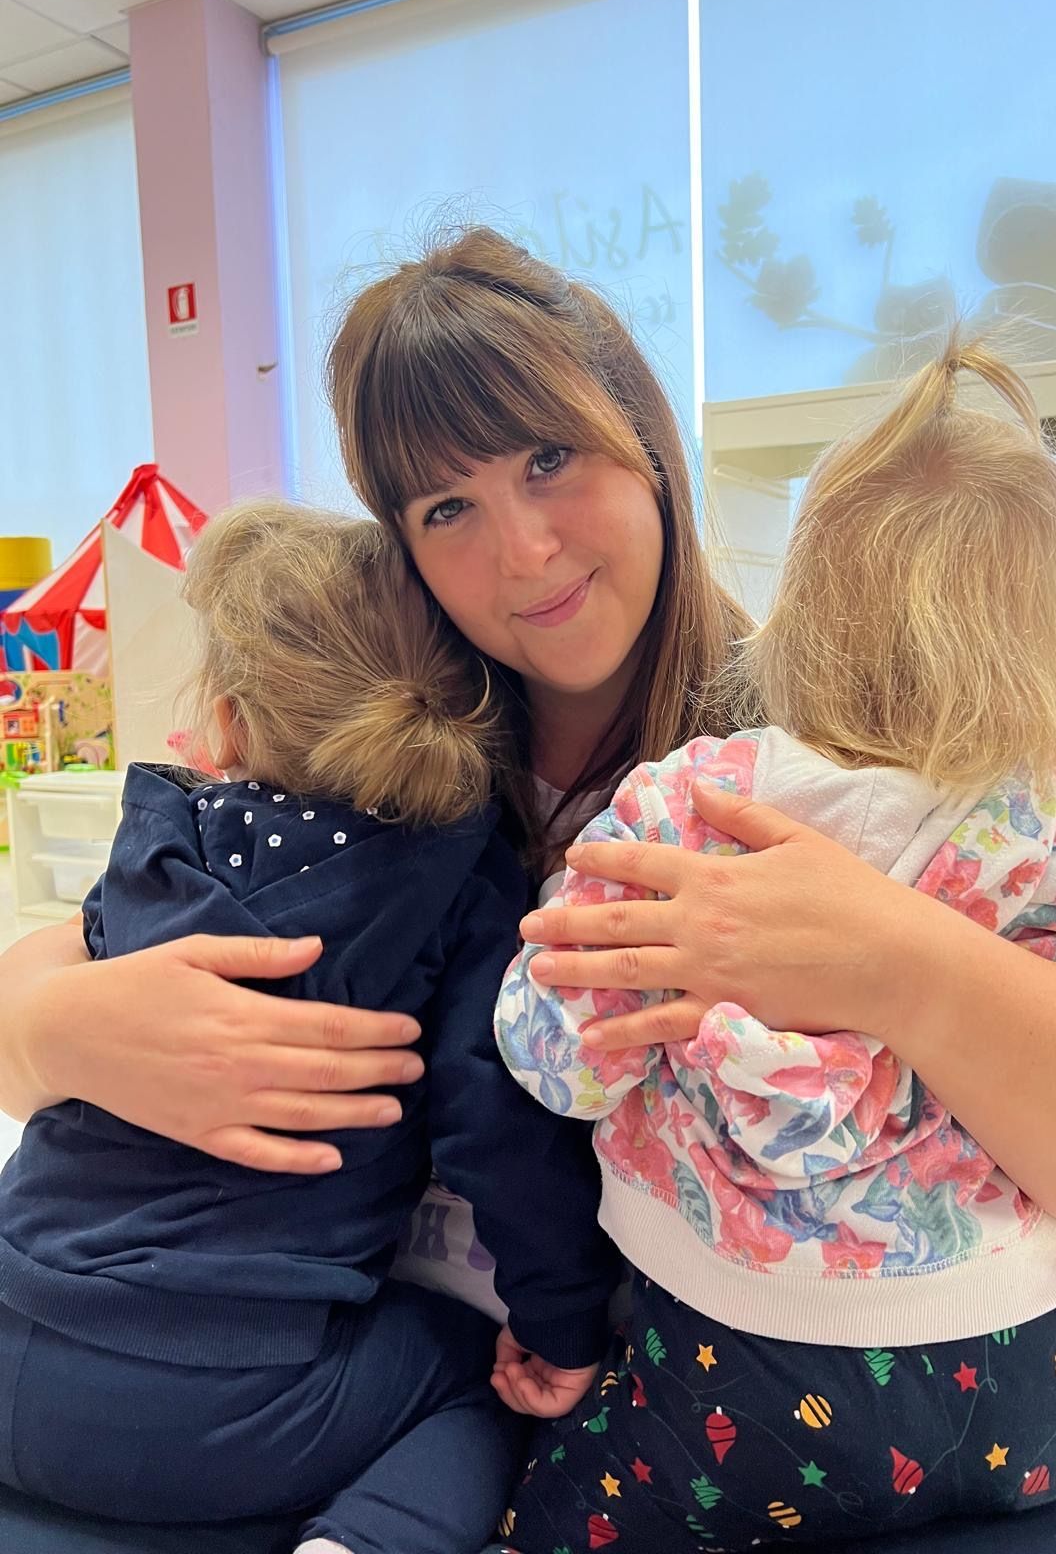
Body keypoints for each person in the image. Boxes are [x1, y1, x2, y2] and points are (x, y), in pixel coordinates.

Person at [3, 227, 1056, 1549]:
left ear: (645, 439)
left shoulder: (824, 748)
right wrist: (54, 1031)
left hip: (743, 1416)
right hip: (401, 1407)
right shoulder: (391, 744)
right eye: (445, 508)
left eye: (548, 458)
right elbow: (95, 943)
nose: (524, 550)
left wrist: (906, 966)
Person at [491, 342, 1056, 1553]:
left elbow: (553, 1060)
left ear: (802, 608)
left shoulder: (682, 805)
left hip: (726, 1387)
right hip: (1026, 1392)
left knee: (563, 1502)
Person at [0, 501, 618, 1554]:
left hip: (17, 1310)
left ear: (228, 724)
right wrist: (562, 1322)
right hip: (221, 1408)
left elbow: (60, 972)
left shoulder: (158, 840)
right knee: (480, 1381)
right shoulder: (459, 881)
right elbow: (494, 1129)